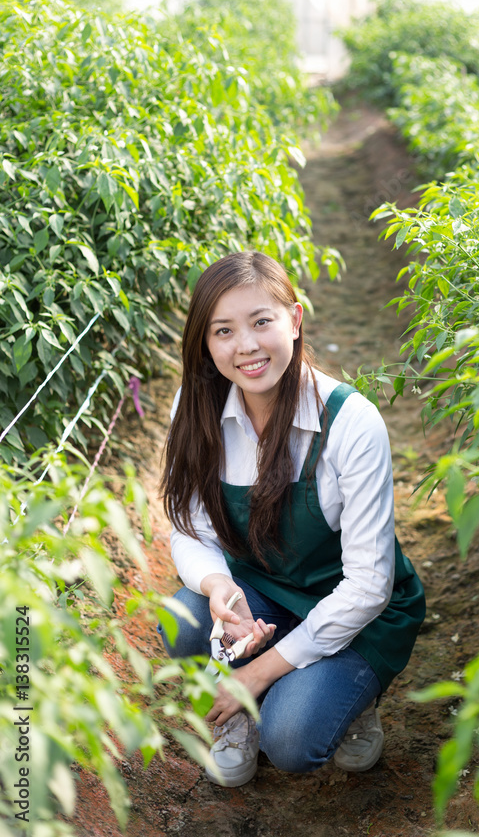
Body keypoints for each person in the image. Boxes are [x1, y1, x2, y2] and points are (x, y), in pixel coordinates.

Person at [158, 250, 425, 786]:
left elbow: (370, 585)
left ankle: (344, 698)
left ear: (295, 320)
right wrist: (219, 589)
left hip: (354, 609)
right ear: (205, 343)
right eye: (223, 331)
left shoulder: (351, 423)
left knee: (292, 739)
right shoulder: (195, 406)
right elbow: (190, 528)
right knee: (184, 618)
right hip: (262, 588)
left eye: (262, 322)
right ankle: (251, 707)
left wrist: (259, 670)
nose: (247, 346)